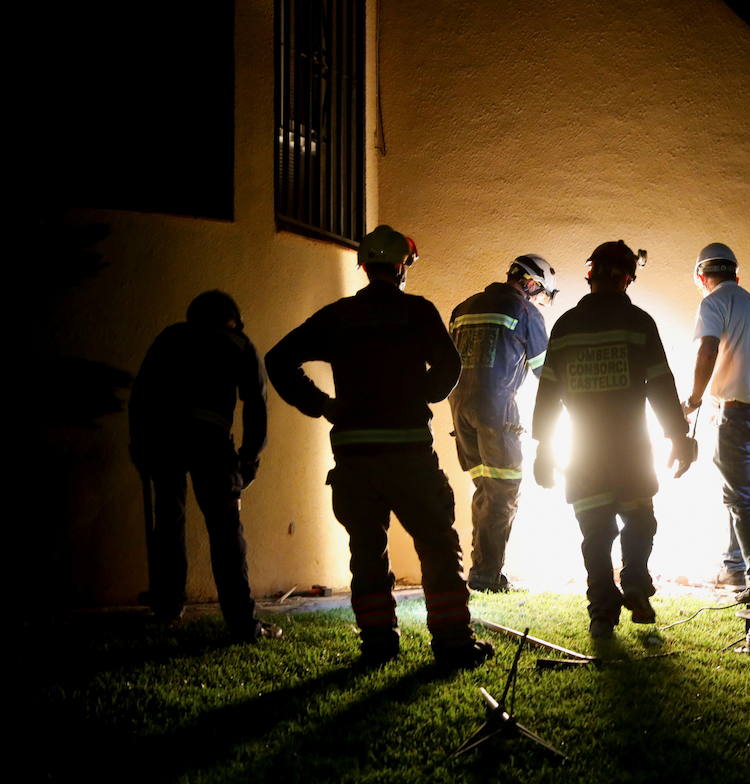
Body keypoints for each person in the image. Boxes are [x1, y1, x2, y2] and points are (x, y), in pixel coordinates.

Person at [265, 225, 493, 669]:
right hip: (408, 452)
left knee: (366, 549)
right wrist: (423, 393)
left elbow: (278, 359)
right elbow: (449, 363)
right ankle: (452, 643)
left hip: (354, 456)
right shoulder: (417, 311)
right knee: (436, 545)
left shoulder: (337, 316)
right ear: (402, 266)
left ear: (365, 267)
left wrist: (322, 406)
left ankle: (378, 645)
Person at [531, 240, 695, 638]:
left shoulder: (566, 326)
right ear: (627, 279)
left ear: (590, 276)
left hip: (583, 452)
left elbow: (549, 392)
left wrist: (544, 448)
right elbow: (660, 383)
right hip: (631, 450)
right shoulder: (638, 323)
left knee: (596, 533)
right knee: (640, 519)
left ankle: (602, 612)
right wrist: (678, 435)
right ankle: (635, 583)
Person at [129, 290, 278, 642]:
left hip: (164, 438)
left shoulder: (171, 337)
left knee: (168, 520)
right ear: (234, 319)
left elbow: (142, 394)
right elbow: (256, 405)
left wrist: (140, 445)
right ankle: (242, 622)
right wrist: (249, 459)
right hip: (211, 441)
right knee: (226, 533)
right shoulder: (239, 344)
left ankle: (168, 605)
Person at [681, 243, 750, 606]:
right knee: (738, 491)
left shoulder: (713, 303)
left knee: (742, 498)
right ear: (735, 274)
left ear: (701, 276)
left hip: (741, 413)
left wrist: (694, 400)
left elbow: (707, 349)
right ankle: (733, 567)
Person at [447, 254, 555, 592]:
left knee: (484, 487)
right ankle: (486, 574)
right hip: (496, 412)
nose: (539, 301)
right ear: (532, 283)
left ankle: (481, 567)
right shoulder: (524, 311)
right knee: (504, 489)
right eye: (541, 294)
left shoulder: (463, 308)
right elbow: (545, 371)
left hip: (460, 410)